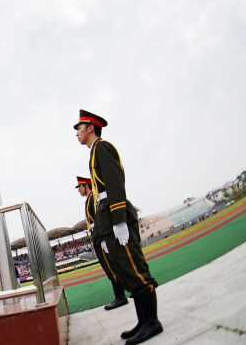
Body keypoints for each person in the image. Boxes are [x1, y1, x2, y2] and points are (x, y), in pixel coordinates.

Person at [74, 110, 163, 344]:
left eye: (79, 128)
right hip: (107, 218)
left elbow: (115, 184)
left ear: (90, 128)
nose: (77, 133)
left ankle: (152, 322)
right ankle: (143, 321)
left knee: (135, 269)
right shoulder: (94, 152)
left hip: (115, 215)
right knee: (126, 271)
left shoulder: (102, 148)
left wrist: (119, 219)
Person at [76, 176, 127, 310]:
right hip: (98, 235)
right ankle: (123, 293)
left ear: (85, 185)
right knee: (111, 265)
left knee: (111, 266)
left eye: (79, 187)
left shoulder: (93, 197)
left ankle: (120, 296)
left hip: (100, 235)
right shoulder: (89, 199)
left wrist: (103, 238)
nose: (78, 190)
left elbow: (99, 219)